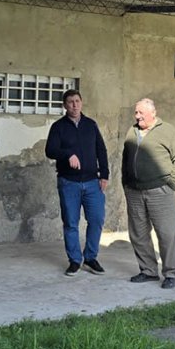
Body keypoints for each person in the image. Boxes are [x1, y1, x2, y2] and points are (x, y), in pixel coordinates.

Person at [121, 98, 175, 289]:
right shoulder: (132, 131)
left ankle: (170, 274)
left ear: (153, 113)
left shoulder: (168, 131)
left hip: (160, 191)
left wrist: (171, 183)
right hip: (134, 191)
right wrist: (126, 183)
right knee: (138, 234)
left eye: (141, 112)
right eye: (136, 112)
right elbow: (125, 159)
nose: (137, 116)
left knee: (167, 233)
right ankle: (148, 271)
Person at [45, 89, 109, 277]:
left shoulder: (91, 125)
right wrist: (68, 154)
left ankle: (90, 257)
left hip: (92, 183)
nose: (74, 105)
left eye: (77, 101)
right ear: (65, 105)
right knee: (71, 223)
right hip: (69, 183)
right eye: (70, 102)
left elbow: (101, 150)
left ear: (81, 103)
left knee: (96, 220)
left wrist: (104, 175)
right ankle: (74, 260)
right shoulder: (58, 127)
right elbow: (50, 150)